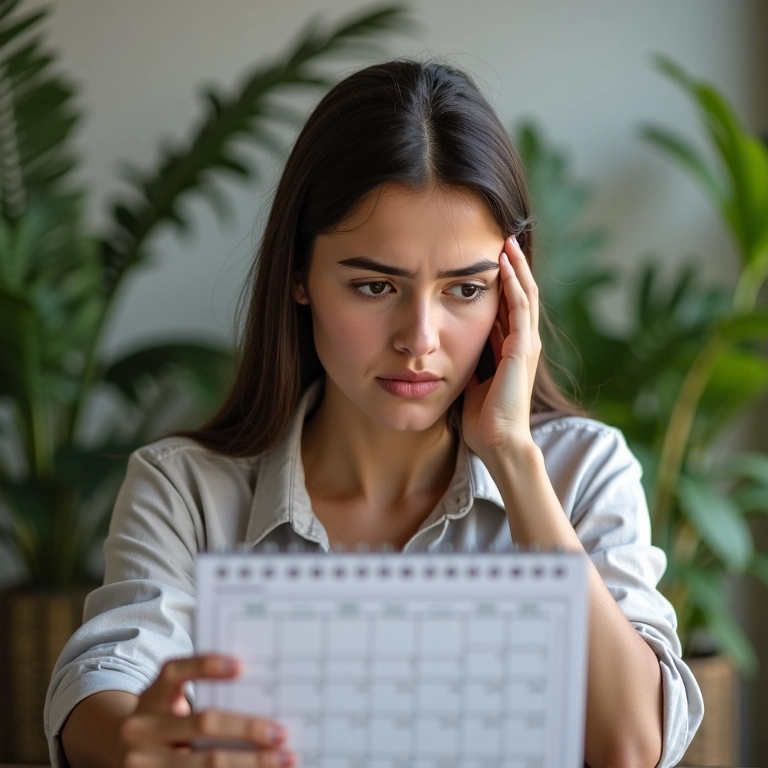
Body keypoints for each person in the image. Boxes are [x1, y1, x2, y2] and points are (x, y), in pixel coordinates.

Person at [45, 58, 704, 768]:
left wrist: (514, 459)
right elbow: (103, 683)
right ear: (299, 274)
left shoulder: (582, 472)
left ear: (512, 297)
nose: (419, 339)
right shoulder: (187, 490)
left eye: (464, 290)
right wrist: (136, 741)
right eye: (374, 286)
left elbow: (630, 747)